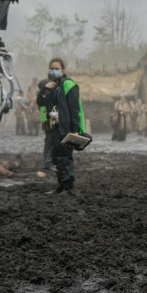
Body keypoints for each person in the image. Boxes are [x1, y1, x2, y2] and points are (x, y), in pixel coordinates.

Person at [36, 57, 86, 194]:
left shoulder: (69, 85)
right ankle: (61, 185)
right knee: (56, 157)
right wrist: (44, 90)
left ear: (63, 70)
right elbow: (40, 103)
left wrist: (75, 130)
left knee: (65, 156)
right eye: (51, 68)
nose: (54, 71)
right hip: (52, 127)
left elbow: (75, 110)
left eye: (57, 68)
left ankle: (69, 187)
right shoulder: (49, 86)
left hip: (65, 127)